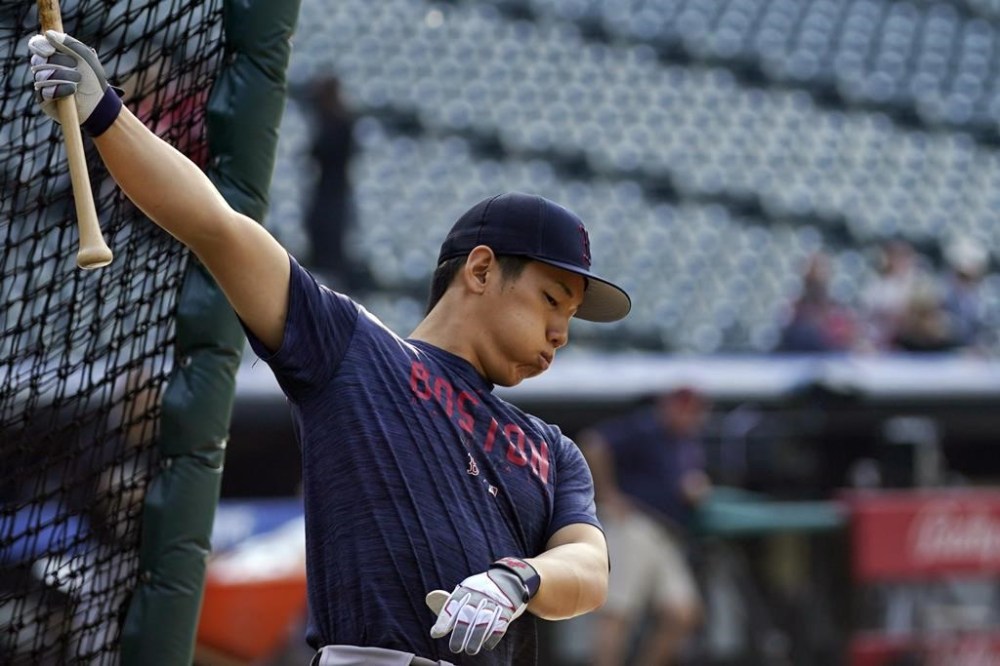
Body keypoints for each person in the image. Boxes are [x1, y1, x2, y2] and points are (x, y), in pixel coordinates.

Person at [28, 30, 632, 666]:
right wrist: (104, 115)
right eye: (551, 300)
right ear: (480, 271)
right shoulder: (353, 350)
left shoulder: (551, 447)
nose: (563, 331)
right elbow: (217, 226)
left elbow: (588, 571)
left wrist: (518, 578)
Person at [578, 387, 711, 666]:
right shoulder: (644, 428)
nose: (686, 415)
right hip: (634, 526)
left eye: (693, 410)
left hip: (667, 533)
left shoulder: (687, 442)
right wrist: (606, 493)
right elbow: (593, 443)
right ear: (667, 406)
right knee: (617, 613)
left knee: (682, 613)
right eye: (681, 407)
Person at [298, 74, 358, 285]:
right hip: (327, 192)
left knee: (329, 247)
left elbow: (323, 153)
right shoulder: (332, 122)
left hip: (332, 195)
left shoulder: (340, 124)